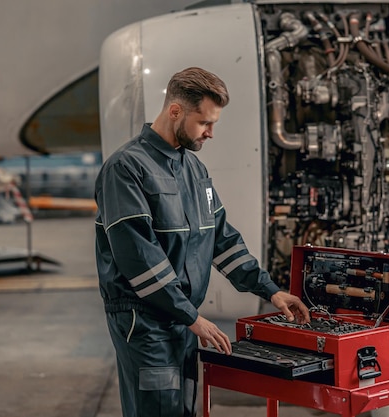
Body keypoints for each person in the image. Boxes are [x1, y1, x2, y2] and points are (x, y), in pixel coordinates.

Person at [94, 67, 310, 417]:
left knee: (183, 409)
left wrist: (270, 290)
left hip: (180, 319)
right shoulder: (125, 168)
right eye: (204, 123)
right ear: (175, 111)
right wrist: (192, 316)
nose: (210, 133)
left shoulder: (193, 170)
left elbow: (221, 240)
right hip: (144, 321)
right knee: (160, 409)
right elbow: (139, 258)